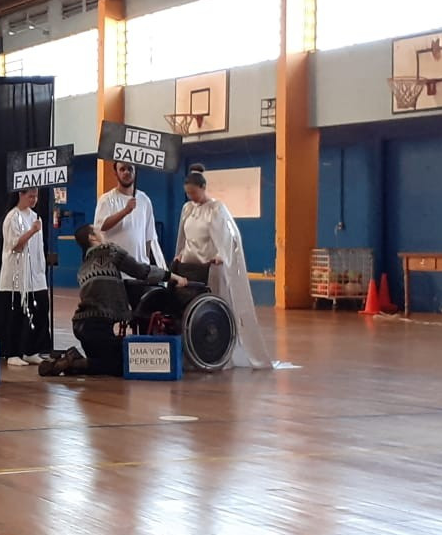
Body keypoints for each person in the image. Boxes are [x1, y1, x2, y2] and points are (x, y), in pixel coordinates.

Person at [41, 224, 186, 378]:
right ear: (92, 237)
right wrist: (171, 276)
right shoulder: (110, 251)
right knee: (121, 364)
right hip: (98, 325)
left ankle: (73, 360)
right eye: (98, 230)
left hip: (81, 325)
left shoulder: (83, 268)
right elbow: (141, 271)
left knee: (99, 363)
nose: (103, 232)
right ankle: (73, 363)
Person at [173, 163, 273, 369]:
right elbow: (184, 236)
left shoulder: (217, 209)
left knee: (213, 307)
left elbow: (229, 237)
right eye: (188, 193)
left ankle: (217, 349)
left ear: (203, 188)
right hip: (190, 265)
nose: (191, 197)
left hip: (209, 267)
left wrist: (221, 255)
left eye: (194, 193)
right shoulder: (188, 209)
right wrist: (180, 252)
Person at [0, 188, 51, 367]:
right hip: (17, 273)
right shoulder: (12, 217)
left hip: (36, 274)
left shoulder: (36, 217)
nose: (34, 200)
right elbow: (15, 246)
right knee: (17, 315)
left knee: (40, 311)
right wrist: (31, 231)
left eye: (36, 196)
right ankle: (12, 353)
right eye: (30, 196)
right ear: (20, 195)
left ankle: (31, 350)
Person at [93, 161, 166, 269]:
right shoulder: (106, 199)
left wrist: (145, 263)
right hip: (114, 269)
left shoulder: (144, 200)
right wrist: (125, 211)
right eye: (122, 169)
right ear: (115, 173)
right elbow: (100, 228)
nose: (126, 172)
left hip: (139, 268)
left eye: (130, 169)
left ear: (135, 172)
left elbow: (149, 236)